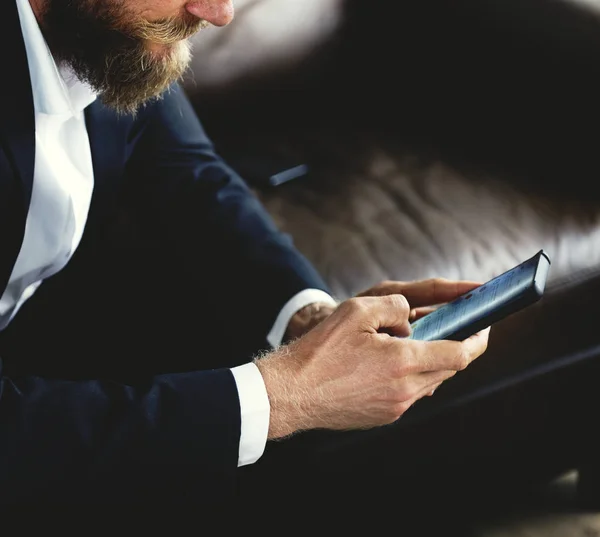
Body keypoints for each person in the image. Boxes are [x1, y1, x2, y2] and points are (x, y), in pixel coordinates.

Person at [0, 0, 596, 522]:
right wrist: (286, 396)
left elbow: (186, 170)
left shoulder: (117, 32)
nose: (220, 13)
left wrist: (309, 319)